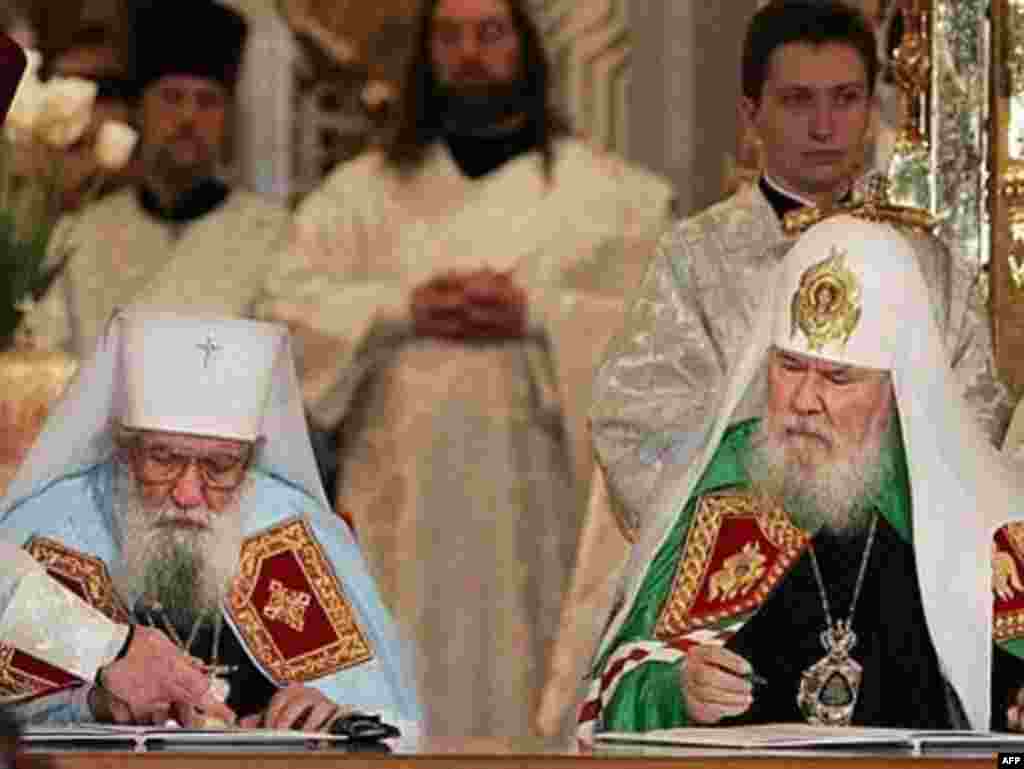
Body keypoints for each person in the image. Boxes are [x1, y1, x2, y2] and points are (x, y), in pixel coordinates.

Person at [537, 0, 1009, 735]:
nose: (824, 127)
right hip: (747, 555)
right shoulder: (697, 256)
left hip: (910, 558)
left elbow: (970, 422)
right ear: (752, 113)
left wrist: (901, 476)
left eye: (846, 100)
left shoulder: (931, 263)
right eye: (798, 101)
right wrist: (746, 482)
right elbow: (638, 422)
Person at [257, 0, 673, 738]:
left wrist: (540, 314)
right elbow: (284, 313)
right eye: (450, 36)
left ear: (527, 48)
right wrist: (399, 310)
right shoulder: (358, 197)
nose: (471, 53)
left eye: (490, 33)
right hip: (401, 514)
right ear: (425, 54)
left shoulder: (611, 199)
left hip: (536, 515)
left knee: (526, 693)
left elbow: (661, 339)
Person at [579, 215, 1024, 736]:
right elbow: (618, 684)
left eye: (838, 378)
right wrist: (677, 689)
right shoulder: (728, 480)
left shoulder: (962, 504)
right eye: (789, 367)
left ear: (897, 387)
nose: (804, 401)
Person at [0, 311, 420, 728]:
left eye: (219, 467)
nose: (187, 494)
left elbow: (390, 726)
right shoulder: (53, 529)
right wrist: (89, 705)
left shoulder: (292, 531)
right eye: (162, 458)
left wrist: (332, 718)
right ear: (124, 449)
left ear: (251, 461)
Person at [19, 0, 289, 356]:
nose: (189, 117)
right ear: (140, 109)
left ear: (228, 121)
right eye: (172, 97)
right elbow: (45, 359)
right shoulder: (80, 235)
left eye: (207, 101)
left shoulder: (275, 236)